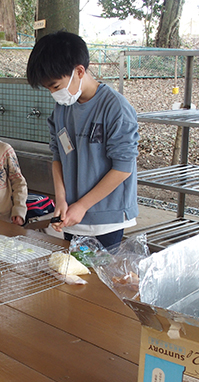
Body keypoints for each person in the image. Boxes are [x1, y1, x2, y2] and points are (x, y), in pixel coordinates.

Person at [26, 31, 139, 249]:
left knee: (100, 279)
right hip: (71, 215)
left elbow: (124, 167)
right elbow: (57, 155)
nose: (53, 94)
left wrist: (83, 205)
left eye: (56, 86)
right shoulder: (62, 108)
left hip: (106, 217)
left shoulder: (115, 107)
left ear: (79, 71)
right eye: (48, 88)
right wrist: (61, 199)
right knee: (73, 275)